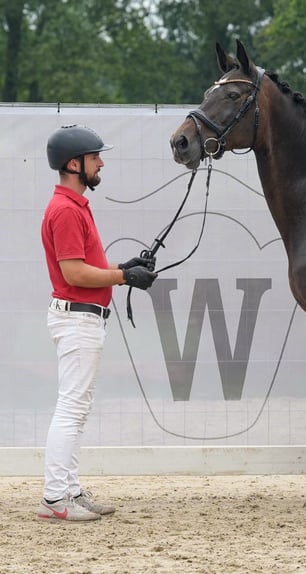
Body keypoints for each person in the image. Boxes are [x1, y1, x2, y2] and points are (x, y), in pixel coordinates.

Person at [38, 125, 157, 521]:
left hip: (83, 319)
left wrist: (124, 268)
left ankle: (69, 490)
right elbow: (74, 274)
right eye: (95, 157)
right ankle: (56, 499)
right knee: (71, 408)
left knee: (77, 408)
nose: (101, 162)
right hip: (78, 320)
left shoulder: (74, 206)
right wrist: (124, 278)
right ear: (75, 164)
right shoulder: (66, 210)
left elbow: (88, 267)